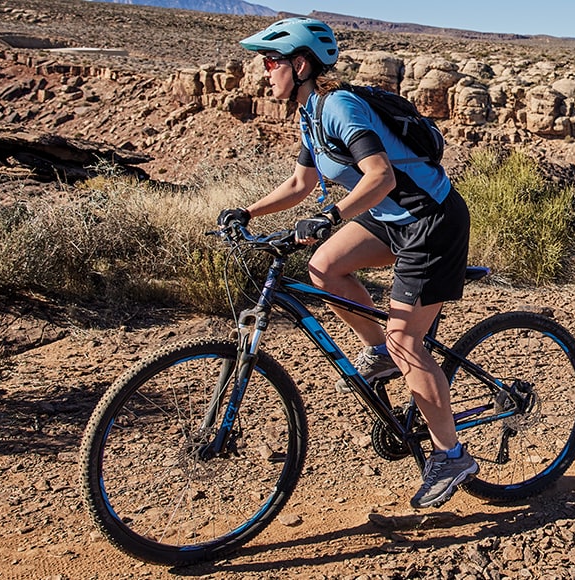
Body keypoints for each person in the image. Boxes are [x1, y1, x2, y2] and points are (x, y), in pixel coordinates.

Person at [219, 17, 478, 509]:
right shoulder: (308, 113)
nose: (264, 71)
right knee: (324, 266)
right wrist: (248, 211)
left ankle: (451, 455)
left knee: (408, 342)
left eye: (271, 62)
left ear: (300, 65)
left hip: (431, 220)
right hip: (393, 218)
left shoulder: (338, 106)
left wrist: (332, 214)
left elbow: (378, 175)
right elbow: (299, 185)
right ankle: (380, 352)